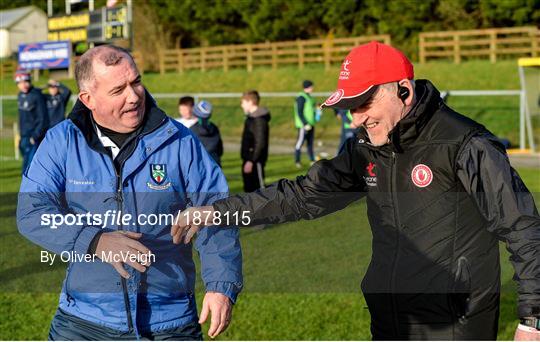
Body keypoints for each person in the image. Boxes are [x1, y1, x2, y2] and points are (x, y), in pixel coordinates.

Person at [171, 41, 540, 340]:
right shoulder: (365, 147)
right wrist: (215, 211)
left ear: (404, 91)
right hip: (389, 319)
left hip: (454, 325)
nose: (356, 118)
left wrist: (532, 320)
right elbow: (299, 196)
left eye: (363, 104)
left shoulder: (464, 143)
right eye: (349, 107)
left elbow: (523, 228)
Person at [17, 45, 242, 340]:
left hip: (170, 320)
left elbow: (216, 209)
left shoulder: (179, 141)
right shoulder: (61, 141)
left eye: (136, 81)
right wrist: (94, 240)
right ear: (88, 99)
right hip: (83, 321)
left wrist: (221, 283)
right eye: (118, 90)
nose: (134, 96)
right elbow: (32, 212)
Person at [15, 71, 49, 173]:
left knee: (29, 168)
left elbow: (43, 118)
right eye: (20, 83)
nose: (23, 85)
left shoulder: (36, 96)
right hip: (24, 135)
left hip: (33, 136)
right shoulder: (20, 95)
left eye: (26, 81)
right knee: (25, 162)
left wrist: (35, 136)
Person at [240, 90, 270, 192]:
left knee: (260, 191)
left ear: (250, 102)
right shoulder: (250, 118)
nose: (242, 105)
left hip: (255, 161)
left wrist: (251, 160)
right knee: (249, 191)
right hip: (248, 160)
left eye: (243, 102)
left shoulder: (259, 120)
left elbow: (260, 143)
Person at [190, 100, 224, 166]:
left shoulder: (192, 130)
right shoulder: (214, 128)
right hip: (215, 164)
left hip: (198, 165)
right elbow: (220, 150)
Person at [294, 80, 316, 168]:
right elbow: (299, 112)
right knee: (300, 143)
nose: (313, 88)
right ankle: (297, 161)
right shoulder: (301, 97)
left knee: (310, 143)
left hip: (311, 124)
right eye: (311, 86)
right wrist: (305, 123)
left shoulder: (310, 97)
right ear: (308, 87)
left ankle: (312, 160)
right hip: (304, 126)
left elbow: (312, 108)